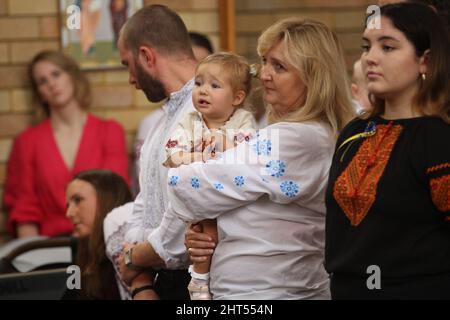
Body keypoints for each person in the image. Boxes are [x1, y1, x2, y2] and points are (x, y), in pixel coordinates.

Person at [125, 17, 355, 300]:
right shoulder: (292, 133)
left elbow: (189, 185)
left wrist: (138, 255)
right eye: (265, 62)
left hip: (269, 293)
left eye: (279, 66)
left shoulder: (295, 139)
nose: (265, 74)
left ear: (313, 76)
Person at [325, 3, 450, 299]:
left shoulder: (439, 139)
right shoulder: (353, 132)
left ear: (425, 61)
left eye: (388, 47)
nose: (371, 58)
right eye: (366, 46)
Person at [105, 4, 198, 300]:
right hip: (162, 277)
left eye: (127, 65)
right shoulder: (162, 123)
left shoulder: (207, 112)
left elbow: (191, 215)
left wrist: (134, 259)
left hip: (203, 283)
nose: (131, 79)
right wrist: (135, 259)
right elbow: (144, 202)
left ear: (146, 56)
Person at [3, 50, 129, 239]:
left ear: (72, 76)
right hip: (49, 247)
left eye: (56, 74)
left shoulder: (110, 131)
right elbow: (24, 208)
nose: (51, 84)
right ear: (39, 93)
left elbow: (116, 196)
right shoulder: (27, 142)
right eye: (42, 81)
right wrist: (33, 262)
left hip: (103, 241)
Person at [164, 52, 256, 299]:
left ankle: (214, 279)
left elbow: (248, 154)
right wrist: (201, 156)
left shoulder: (242, 120)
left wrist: (219, 144)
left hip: (230, 195)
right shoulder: (190, 120)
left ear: (237, 97)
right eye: (198, 83)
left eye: (214, 85)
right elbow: (172, 156)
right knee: (203, 233)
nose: (203, 91)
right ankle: (199, 280)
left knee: (219, 234)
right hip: (198, 193)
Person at [64, 169, 131, 299]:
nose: (69, 213)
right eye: (68, 205)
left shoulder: (128, 253)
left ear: (107, 200)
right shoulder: (81, 252)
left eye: (78, 200)